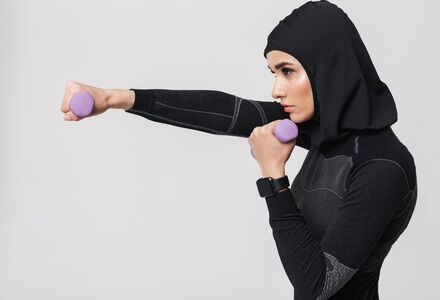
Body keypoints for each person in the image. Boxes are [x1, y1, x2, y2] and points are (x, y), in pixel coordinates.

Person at [60, 1, 418, 299]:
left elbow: (318, 284)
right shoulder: (326, 131)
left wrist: (274, 178)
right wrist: (114, 98)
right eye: (273, 72)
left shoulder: (382, 166)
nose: (277, 89)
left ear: (327, 69)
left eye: (287, 71)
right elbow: (229, 111)